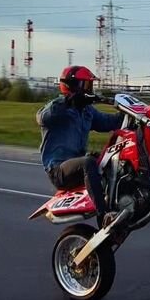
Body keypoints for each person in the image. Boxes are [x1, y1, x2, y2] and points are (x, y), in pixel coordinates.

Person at [36, 65, 122, 225]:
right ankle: (104, 215)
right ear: (72, 86)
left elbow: (108, 122)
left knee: (110, 158)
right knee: (88, 163)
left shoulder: (87, 110)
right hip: (58, 170)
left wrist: (128, 114)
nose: (90, 89)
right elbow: (41, 118)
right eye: (86, 85)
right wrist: (68, 102)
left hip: (77, 165)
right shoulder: (57, 108)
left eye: (90, 85)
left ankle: (122, 204)